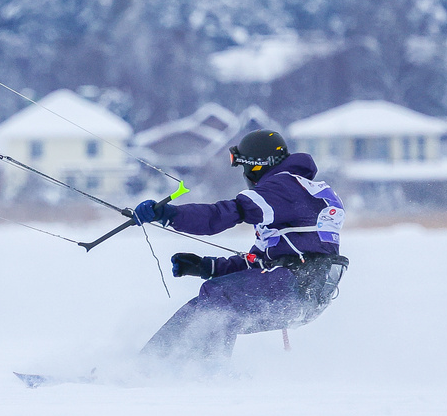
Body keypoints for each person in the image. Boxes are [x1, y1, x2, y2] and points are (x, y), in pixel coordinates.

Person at [132, 129, 348, 365]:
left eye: (245, 167)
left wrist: (168, 214)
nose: (245, 175)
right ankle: (169, 368)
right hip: (306, 295)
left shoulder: (284, 187)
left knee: (216, 298)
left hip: (295, 286)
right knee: (216, 309)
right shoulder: (303, 191)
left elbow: (221, 215)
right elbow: (258, 262)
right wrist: (206, 266)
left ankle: (182, 370)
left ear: (258, 165)